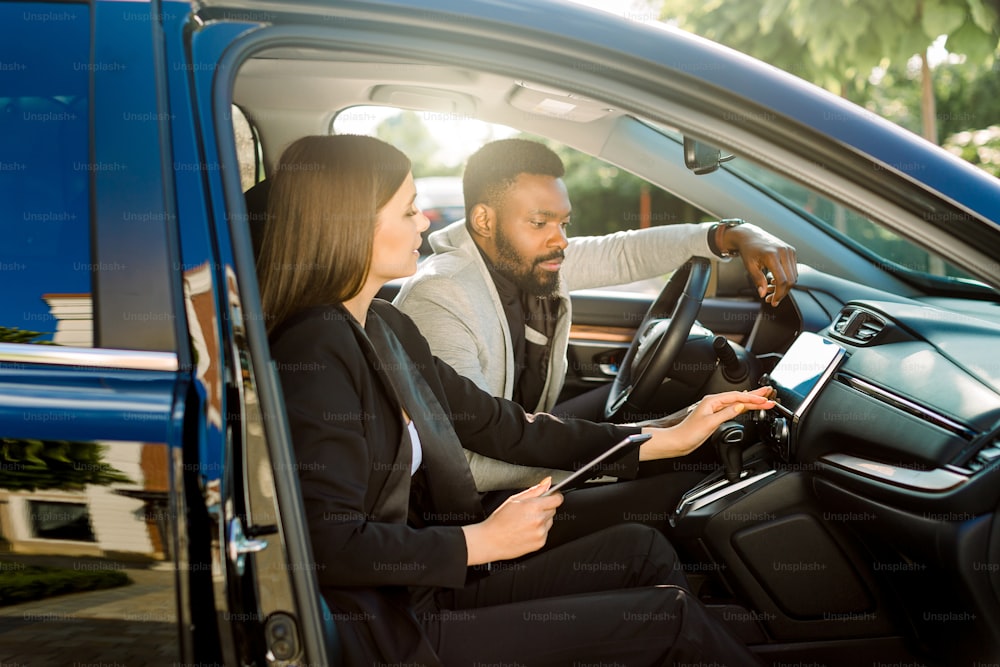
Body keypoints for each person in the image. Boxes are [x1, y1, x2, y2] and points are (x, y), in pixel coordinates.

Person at [258, 134, 774, 666]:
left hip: (423, 584)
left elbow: (503, 426)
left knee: (639, 551)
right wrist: (480, 542)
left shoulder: (385, 326)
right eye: (409, 210)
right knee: (671, 621)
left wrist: (660, 439)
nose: (425, 224)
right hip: (390, 629)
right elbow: (328, 543)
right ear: (349, 222)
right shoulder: (315, 349)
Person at [394, 138, 797, 491]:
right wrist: (623, 460)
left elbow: (624, 252)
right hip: (483, 504)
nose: (560, 240)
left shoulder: (526, 259)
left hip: (527, 433)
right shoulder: (443, 296)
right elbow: (467, 464)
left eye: (564, 223)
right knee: (675, 491)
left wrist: (730, 234)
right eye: (540, 222)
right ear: (484, 220)